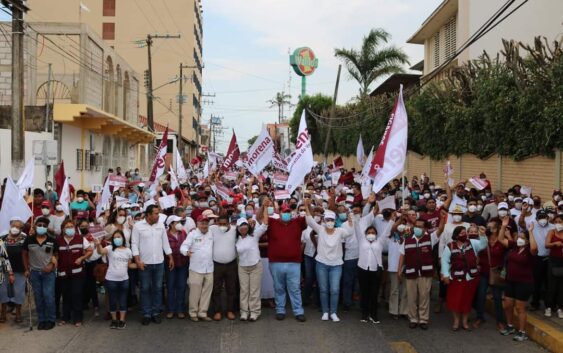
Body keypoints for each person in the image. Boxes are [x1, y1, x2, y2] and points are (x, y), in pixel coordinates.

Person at [304, 200, 353, 322]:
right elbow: (309, 220)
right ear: (324, 221)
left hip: (336, 265)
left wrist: (351, 220)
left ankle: (333, 312)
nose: (330, 222)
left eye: (332, 220)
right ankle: (325, 311)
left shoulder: (340, 231)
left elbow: (350, 232)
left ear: (334, 221)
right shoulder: (320, 229)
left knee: (335, 289)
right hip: (321, 264)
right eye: (328, 220)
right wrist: (306, 205)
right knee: (324, 289)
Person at [259, 200, 307, 322]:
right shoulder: (272, 222)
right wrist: (264, 207)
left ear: (292, 213)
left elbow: (307, 216)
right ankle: (280, 310)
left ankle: (298, 311)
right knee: (279, 287)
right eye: (284, 212)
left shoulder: (298, 222)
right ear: (279, 213)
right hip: (276, 262)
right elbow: (260, 218)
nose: (286, 213)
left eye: (288, 212)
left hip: (294, 263)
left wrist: (307, 204)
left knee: (295, 288)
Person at [131, 205, 174, 325]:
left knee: (158, 288)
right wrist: (137, 260)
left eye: (158, 213)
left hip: (159, 262)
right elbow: (134, 244)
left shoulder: (160, 225)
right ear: (148, 214)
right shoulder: (138, 226)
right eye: (156, 213)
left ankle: (155, 312)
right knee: (145, 289)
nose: (158, 215)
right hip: (145, 263)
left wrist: (170, 257)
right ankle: (146, 313)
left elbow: (165, 243)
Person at [498, 217, 538, 341]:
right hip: (510, 281)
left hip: (524, 283)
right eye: (518, 237)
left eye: (522, 238)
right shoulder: (514, 246)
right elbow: (500, 239)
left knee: (520, 308)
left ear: (527, 240)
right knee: (507, 305)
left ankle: (522, 332)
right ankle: (510, 326)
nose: (519, 239)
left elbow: (534, 249)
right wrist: (503, 226)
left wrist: (530, 232)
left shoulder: (529, 250)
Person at [440, 225, 487, 331]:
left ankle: (465, 322)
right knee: (455, 301)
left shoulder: (472, 243)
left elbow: (483, 245)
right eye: (461, 233)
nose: (464, 234)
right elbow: (445, 261)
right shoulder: (450, 246)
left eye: (465, 232)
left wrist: (483, 235)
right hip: (455, 279)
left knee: (467, 301)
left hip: (470, 278)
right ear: (456, 235)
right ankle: (456, 322)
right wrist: (445, 275)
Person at [398, 217, 441, 330]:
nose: (417, 228)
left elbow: (440, 229)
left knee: (424, 296)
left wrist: (444, 216)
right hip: (411, 272)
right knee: (411, 297)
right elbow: (402, 255)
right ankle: (413, 318)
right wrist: (399, 270)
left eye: (420, 226)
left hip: (425, 273)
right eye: (416, 226)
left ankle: (423, 319)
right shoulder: (407, 239)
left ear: (425, 228)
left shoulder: (430, 238)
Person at [22, 217, 58, 330]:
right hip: (35, 273)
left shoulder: (52, 240)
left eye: (44, 225)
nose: (41, 227)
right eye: (39, 225)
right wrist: (26, 269)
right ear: (35, 226)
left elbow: (56, 255)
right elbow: (24, 254)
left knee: (48, 296)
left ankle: (51, 320)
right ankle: (42, 320)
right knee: (38, 297)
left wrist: (51, 266)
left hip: (49, 273)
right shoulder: (29, 239)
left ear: (47, 228)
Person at [95, 230, 134, 329]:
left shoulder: (128, 251)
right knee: (112, 301)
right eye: (115, 237)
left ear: (123, 238)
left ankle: (122, 320)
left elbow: (130, 265)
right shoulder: (110, 248)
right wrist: (98, 245)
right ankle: (114, 320)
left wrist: (140, 264)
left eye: (119, 237)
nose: (117, 239)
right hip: (111, 279)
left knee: (122, 301)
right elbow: (101, 252)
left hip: (124, 280)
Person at [57, 219, 93, 327]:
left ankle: (78, 318)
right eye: (67, 227)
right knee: (66, 295)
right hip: (63, 273)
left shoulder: (80, 239)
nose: (69, 229)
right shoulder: (58, 240)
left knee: (77, 294)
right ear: (63, 229)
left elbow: (90, 250)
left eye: (71, 227)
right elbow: (55, 253)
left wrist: (82, 258)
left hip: (78, 273)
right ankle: (65, 317)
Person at [474, 218, 507, 331]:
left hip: (496, 273)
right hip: (483, 272)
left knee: (497, 298)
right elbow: (477, 252)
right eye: (488, 227)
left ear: (497, 229)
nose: (489, 229)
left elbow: (509, 252)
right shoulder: (483, 239)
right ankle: (480, 317)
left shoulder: (502, 241)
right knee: (481, 295)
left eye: (492, 227)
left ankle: (500, 321)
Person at [180, 214, 214, 322]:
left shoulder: (211, 233)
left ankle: (203, 313)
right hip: (196, 268)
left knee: (207, 292)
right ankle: (193, 313)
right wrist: (186, 252)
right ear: (198, 224)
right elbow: (183, 246)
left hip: (209, 268)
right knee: (195, 292)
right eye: (202, 223)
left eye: (206, 223)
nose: (204, 225)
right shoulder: (193, 234)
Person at [236, 213, 268, 321]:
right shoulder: (236, 239)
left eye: (245, 225)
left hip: (255, 266)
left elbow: (264, 225)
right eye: (241, 225)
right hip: (242, 267)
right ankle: (244, 312)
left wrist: (265, 208)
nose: (243, 227)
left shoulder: (254, 235)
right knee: (244, 290)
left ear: (248, 226)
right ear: (238, 228)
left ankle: (254, 312)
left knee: (254, 290)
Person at [209, 213, 238, 321]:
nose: (221, 226)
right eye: (219, 223)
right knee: (216, 289)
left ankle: (230, 310)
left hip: (231, 264)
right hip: (216, 264)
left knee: (231, 288)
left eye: (224, 224)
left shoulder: (235, 230)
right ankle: (217, 311)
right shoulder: (212, 229)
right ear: (216, 223)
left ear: (229, 223)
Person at [165, 215, 189, 319]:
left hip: (182, 263)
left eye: (180, 222)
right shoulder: (165, 234)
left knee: (182, 286)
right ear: (171, 224)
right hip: (170, 265)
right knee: (170, 287)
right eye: (176, 222)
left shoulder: (183, 232)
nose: (179, 224)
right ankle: (171, 309)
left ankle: (180, 309)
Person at [545, 215, 563, 319]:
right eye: (556, 221)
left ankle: (560, 307)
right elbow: (546, 244)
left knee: (561, 287)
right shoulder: (551, 232)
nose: (558, 224)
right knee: (551, 286)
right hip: (553, 261)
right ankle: (548, 307)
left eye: (560, 222)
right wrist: (554, 243)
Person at [0, 222, 16, 323]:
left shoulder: (1, 242)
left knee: (2, 294)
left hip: (1, 274)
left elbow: (6, 258)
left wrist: (10, 273)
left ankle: (3, 314)